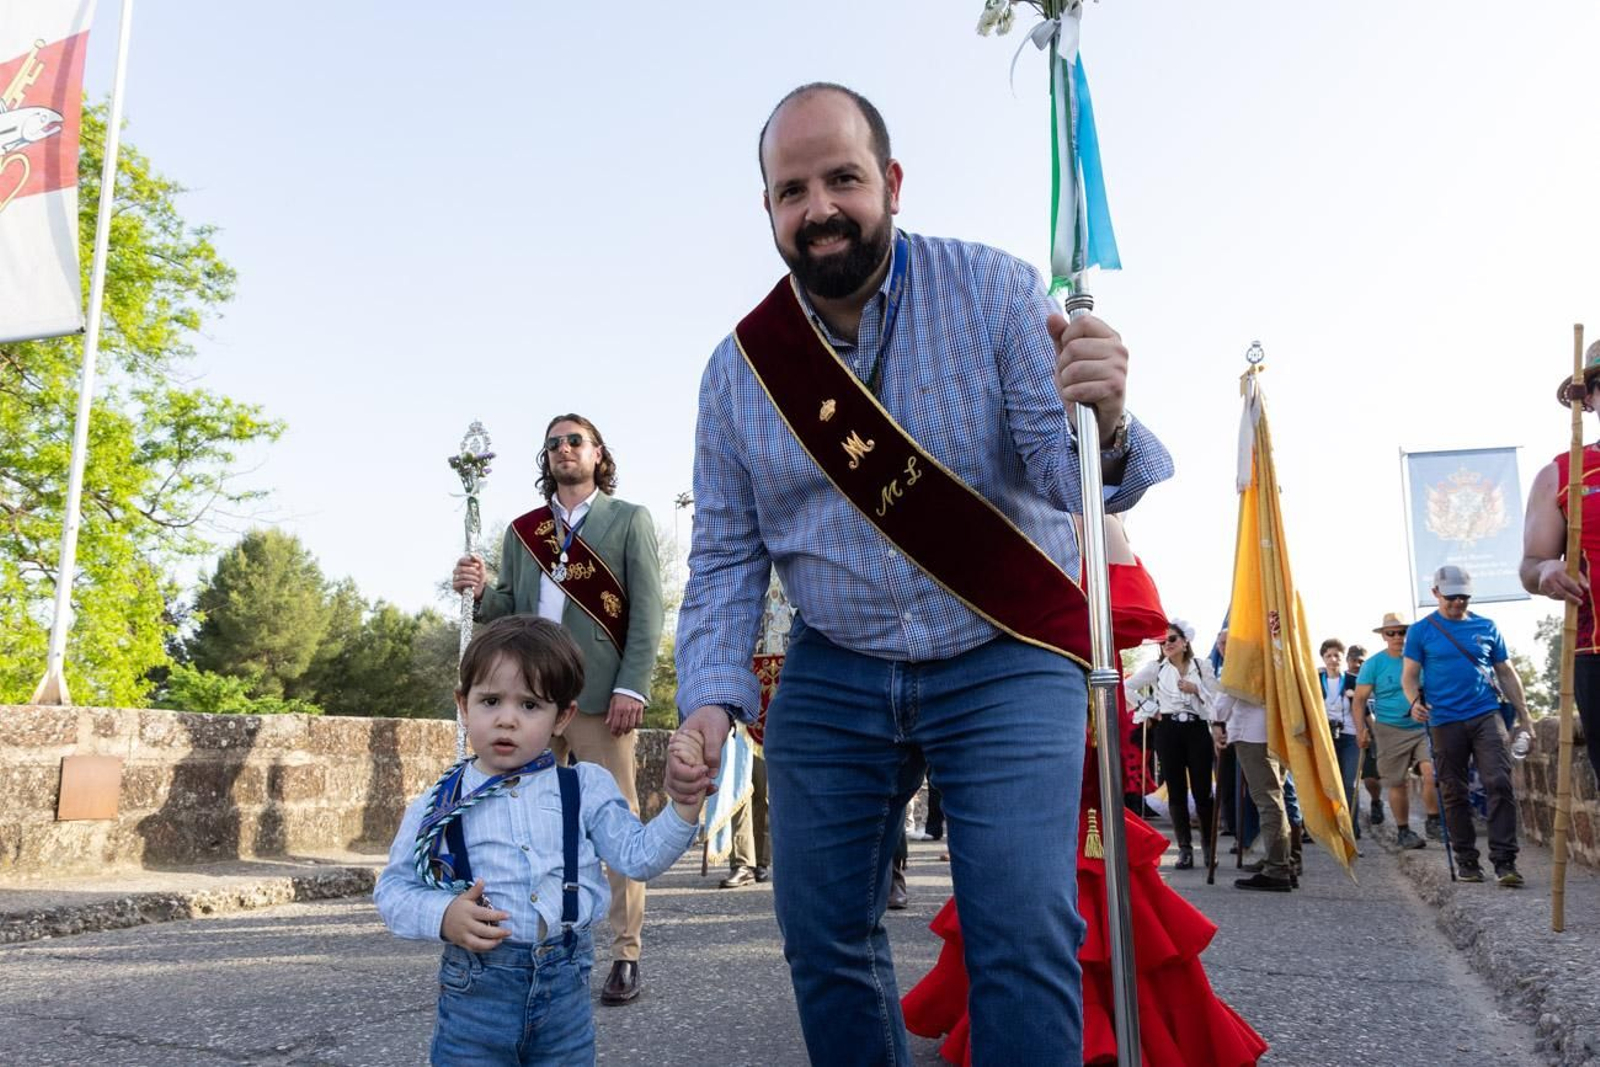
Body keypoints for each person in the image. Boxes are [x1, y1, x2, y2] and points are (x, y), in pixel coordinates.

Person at [666, 82, 1174, 1065]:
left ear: (890, 182)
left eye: (842, 178)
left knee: (1022, 931)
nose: (819, 207)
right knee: (819, 935)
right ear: (769, 209)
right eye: (792, 189)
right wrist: (710, 700)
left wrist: (1101, 418)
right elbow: (726, 554)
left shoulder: (990, 289)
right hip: (837, 661)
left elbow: (1065, 468)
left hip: (1002, 650)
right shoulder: (739, 372)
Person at [902, 548, 1267, 1064]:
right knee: (1014, 861)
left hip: (1078, 682)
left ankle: (1107, 1017)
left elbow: (1136, 611)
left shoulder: (1086, 518)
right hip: (1000, 684)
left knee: (1086, 847)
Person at [374, 617, 705, 1065]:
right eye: (490, 701)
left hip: (565, 997)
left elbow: (638, 856)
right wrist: (443, 914)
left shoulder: (585, 787)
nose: (507, 719)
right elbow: (394, 890)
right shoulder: (440, 802)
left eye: (530, 706)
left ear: (562, 717)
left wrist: (684, 806)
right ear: (463, 705)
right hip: (475, 999)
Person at [451, 413, 665, 1005]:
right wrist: (477, 586)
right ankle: (521, 939)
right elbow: (509, 608)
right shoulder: (524, 532)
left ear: (598, 454)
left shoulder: (629, 521)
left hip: (598, 697)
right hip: (531, 694)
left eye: (575, 441)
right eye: (553, 444)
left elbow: (647, 611)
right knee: (520, 819)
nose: (564, 449)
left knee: (615, 823)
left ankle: (625, 951)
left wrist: (633, 686)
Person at [1402, 566, 1535, 886]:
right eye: (1451, 597)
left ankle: (1505, 862)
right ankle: (1467, 860)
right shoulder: (1421, 631)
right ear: (1435, 593)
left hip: (1486, 713)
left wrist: (1525, 714)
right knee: (1453, 789)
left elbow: (1505, 671)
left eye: (1463, 596)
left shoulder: (1486, 626)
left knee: (1499, 781)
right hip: (1444, 719)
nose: (1457, 602)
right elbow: (1409, 675)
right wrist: (1413, 703)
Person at [1521, 342, 1600, 782]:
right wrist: (1546, 570)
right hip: (1597, 647)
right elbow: (1531, 565)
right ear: (1588, 398)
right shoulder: (1563, 473)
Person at [1125, 619, 1217, 870]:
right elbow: (1127, 687)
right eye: (1163, 641)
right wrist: (1150, 708)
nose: (1167, 644)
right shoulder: (1156, 668)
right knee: (1175, 791)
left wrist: (1195, 689)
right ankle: (1185, 850)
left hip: (1197, 729)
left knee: (1202, 791)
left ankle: (1209, 848)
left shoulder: (1202, 666)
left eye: (1172, 639)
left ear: (1185, 642)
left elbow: (1216, 701)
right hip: (1168, 730)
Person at [1213, 634, 1297, 893]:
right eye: (1220, 643)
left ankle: (1278, 868)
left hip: (1254, 734)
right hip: (1273, 733)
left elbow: (1228, 694)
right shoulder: (1273, 654)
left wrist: (1217, 721)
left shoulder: (1244, 658)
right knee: (1275, 799)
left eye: (1226, 642)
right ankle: (1281, 859)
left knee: (1268, 800)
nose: (1222, 647)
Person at [1354, 613, 1439, 848]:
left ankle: (1434, 821)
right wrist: (1361, 730)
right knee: (1396, 782)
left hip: (1424, 725)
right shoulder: (1373, 664)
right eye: (1391, 633)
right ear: (1383, 636)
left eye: (1402, 632)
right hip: (1390, 728)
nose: (1397, 637)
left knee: (1433, 772)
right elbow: (1359, 700)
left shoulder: (1421, 660)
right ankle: (1404, 832)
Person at [1317, 639, 1361, 846]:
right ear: (1323, 659)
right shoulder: (1316, 681)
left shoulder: (1352, 680)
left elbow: (1363, 710)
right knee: (1327, 782)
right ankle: (1330, 826)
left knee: (1349, 782)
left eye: (1337, 656)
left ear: (1343, 659)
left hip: (1350, 735)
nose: (1333, 660)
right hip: (1325, 738)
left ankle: (1352, 826)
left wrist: (1365, 732)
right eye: (1329, 656)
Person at [1346, 644, 1386, 828]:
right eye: (1354, 660)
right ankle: (1349, 821)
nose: (1357, 664)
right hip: (1347, 733)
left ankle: (1376, 801)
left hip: (1371, 733)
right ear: (1348, 660)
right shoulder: (1343, 681)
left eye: (1361, 661)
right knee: (1347, 779)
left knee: (1370, 777)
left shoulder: (1375, 680)